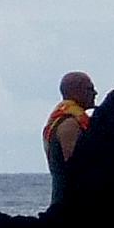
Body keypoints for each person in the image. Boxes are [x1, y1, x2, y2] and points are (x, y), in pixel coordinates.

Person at [40, 71, 93, 206]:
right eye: (89, 89)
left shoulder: (59, 118)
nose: (95, 93)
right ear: (76, 91)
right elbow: (76, 164)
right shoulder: (69, 123)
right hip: (70, 203)